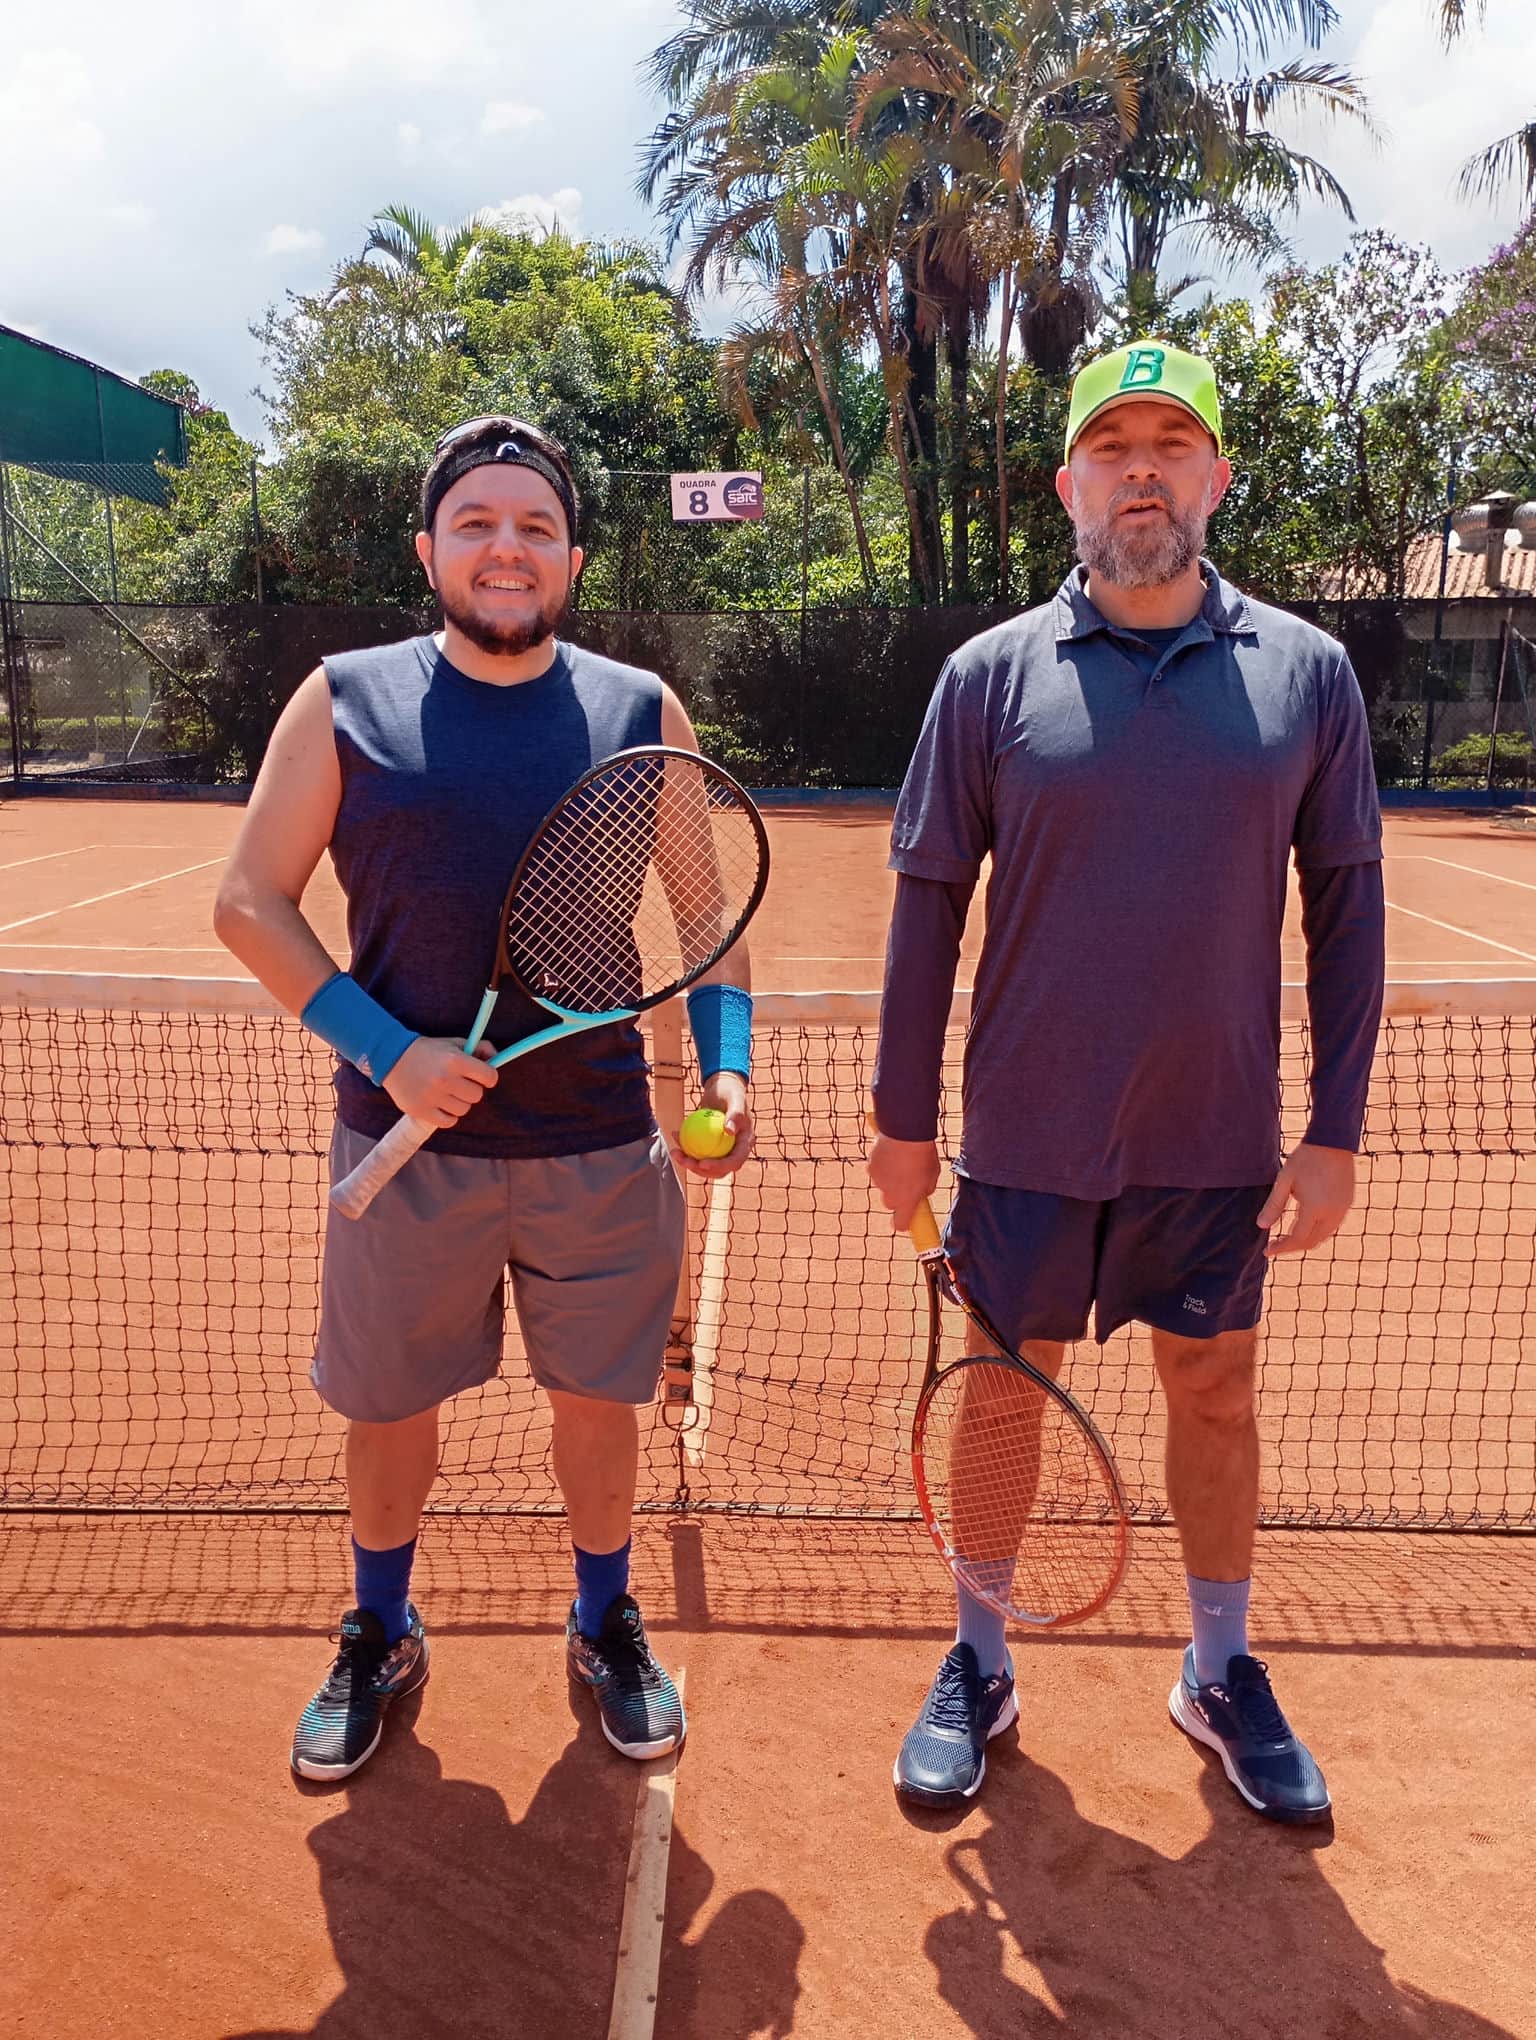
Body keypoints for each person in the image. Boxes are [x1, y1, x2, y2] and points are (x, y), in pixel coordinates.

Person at [867, 344, 1384, 1822]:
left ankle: (1218, 1668)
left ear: (1215, 476)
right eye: (1112, 445)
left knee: (1214, 1390)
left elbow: (1348, 904)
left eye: (1171, 442)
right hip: (1026, 1135)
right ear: (1068, 485)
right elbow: (926, 902)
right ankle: (980, 1661)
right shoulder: (987, 677)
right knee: (1003, 1393)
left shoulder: (1308, 674)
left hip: (1212, 1140)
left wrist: (1334, 1131)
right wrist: (903, 1119)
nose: (1141, 469)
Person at [214, 417, 755, 1780]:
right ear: (429, 551)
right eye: (476, 524)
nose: (505, 549)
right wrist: (386, 1050)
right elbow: (249, 902)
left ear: (570, 557)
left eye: (534, 528)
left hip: (599, 1146)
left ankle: (604, 1617)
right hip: (407, 1154)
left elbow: (707, 922)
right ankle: (379, 1630)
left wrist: (729, 1065)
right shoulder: (342, 700)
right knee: (390, 1410)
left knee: (599, 1409)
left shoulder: (642, 713)